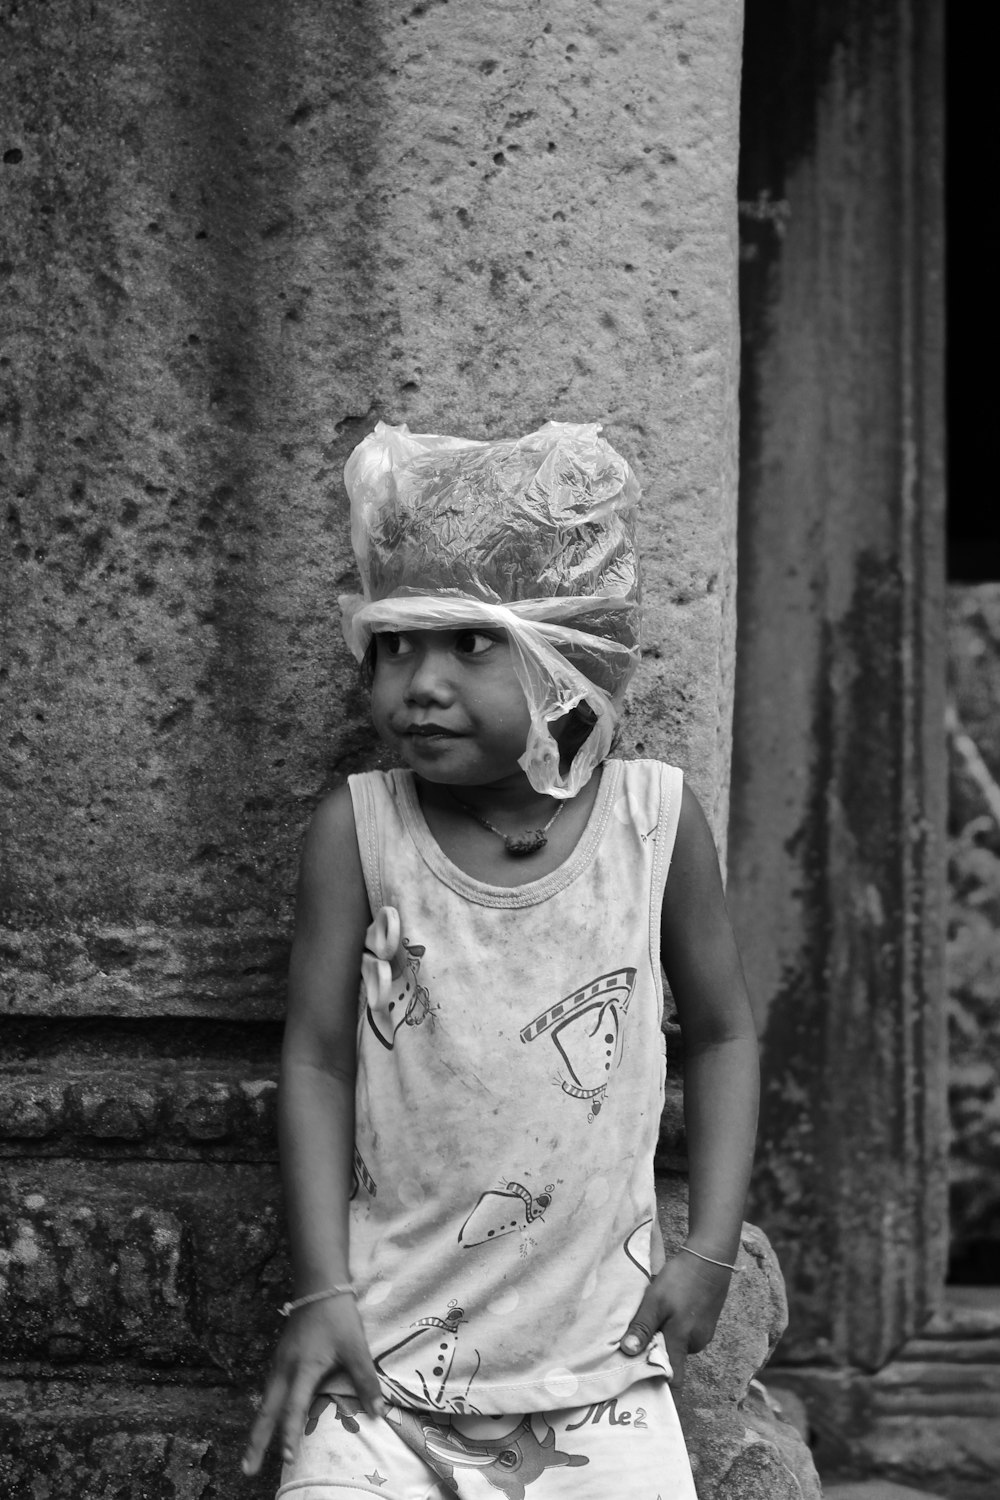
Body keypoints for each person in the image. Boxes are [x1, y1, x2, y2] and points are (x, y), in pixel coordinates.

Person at [242, 421, 759, 1499]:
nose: (415, 683)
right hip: (381, 1367)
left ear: (565, 651)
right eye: (392, 644)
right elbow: (319, 1058)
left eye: (468, 642)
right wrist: (319, 1291)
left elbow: (720, 1033)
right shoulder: (360, 830)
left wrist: (707, 1246)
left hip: (600, 1369)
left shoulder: (653, 823)